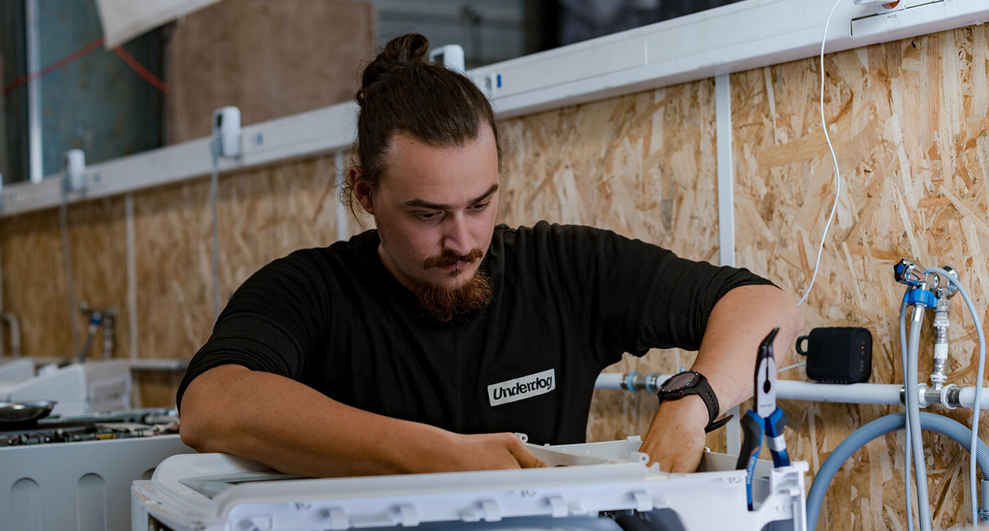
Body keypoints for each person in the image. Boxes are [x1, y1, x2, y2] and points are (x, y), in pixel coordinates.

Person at [177, 33, 803, 478]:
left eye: (480, 204)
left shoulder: (563, 270)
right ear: (365, 193)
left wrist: (693, 404)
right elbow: (212, 405)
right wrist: (438, 455)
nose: (463, 242)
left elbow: (766, 307)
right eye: (428, 215)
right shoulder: (308, 290)